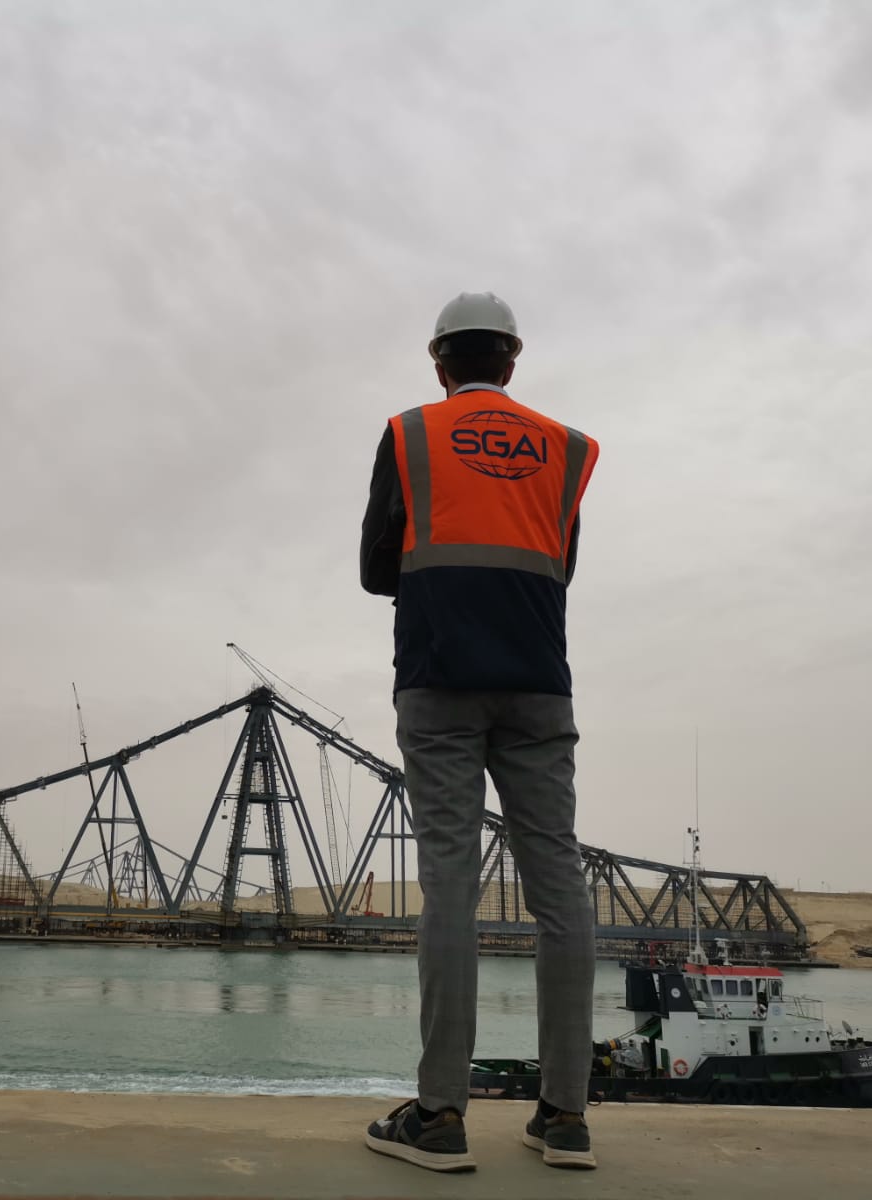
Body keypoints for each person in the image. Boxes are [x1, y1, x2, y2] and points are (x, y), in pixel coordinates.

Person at [359, 292, 600, 1172]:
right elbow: (561, 562)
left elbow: (373, 567)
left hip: (439, 679)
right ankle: (565, 1117)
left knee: (451, 886)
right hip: (540, 683)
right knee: (560, 887)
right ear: (511, 362)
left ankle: (439, 1116)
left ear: (439, 363)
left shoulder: (410, 433)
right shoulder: (568, 449)